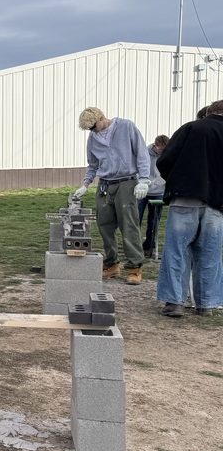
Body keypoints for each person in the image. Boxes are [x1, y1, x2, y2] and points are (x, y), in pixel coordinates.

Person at [155, 100, 223, 317]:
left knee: (177, 251)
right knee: (210, 253)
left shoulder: (191, 128)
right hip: (217, 203)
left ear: (209, 112)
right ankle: (207, 304)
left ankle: (175, 301)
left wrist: (176, 180)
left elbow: (164, 160)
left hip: (184, 197)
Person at [74, 107, 150, 285]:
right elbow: (93, 164)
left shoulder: (126, 127)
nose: (92, 131)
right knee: (104, 224)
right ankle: (112, 264)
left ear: (101, 118)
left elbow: (142, 153)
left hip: (126, 182)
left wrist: (144, 180)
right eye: (89, 129)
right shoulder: (93, 138)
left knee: (128, 224)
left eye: (93, 127)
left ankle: (135, 267)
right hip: (105, 184)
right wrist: (85, 184)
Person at [137, 134, 169, 258]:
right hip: (143, 191)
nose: (162, 153)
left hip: (159, 193)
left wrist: (163, 180)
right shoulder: (144, 153)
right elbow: (137, 169)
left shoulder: (168, 154)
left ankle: (149, 247)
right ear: (155, 146)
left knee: (154, 222)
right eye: (161, 150)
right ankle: (134, 246)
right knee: (136, 219)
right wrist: (142, 182)